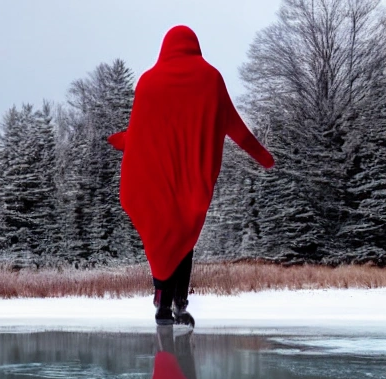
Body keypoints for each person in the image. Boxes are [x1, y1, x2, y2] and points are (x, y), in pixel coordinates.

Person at [108, 25, 274, 327]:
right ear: (193, 45)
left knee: (165, 239)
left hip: (157, 179)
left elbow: (141, 132)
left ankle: (163, 302)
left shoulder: (148, 82)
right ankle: (178, 303)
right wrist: (263, 157)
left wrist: (123, 140)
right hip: (191, 180)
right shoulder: (210, 79)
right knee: (184, 239)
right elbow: (235, 126)